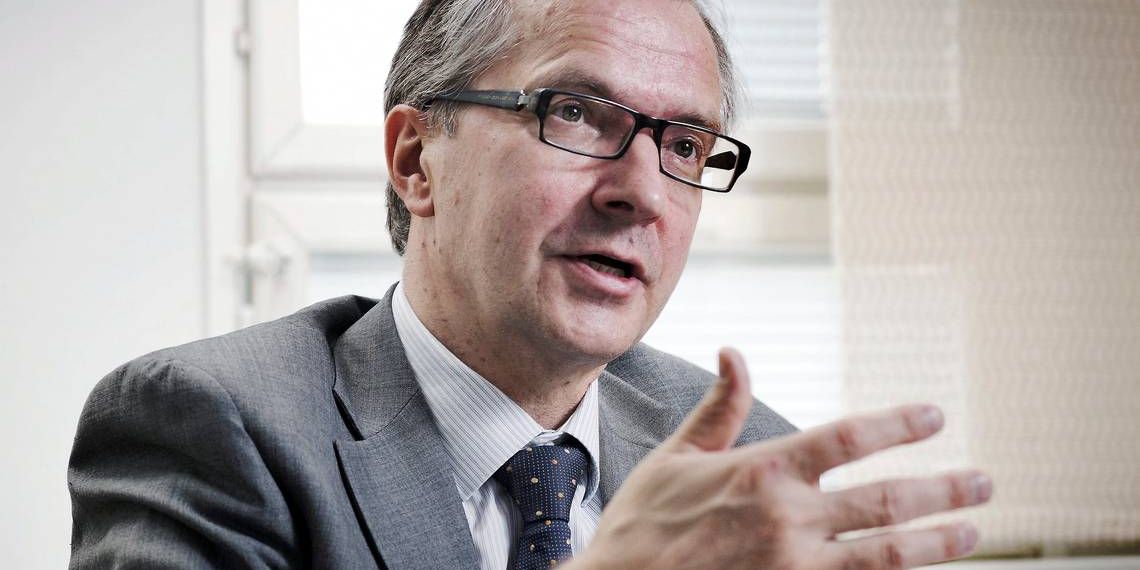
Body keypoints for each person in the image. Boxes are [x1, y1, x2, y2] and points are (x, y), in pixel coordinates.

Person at [68, 0, 993, 568]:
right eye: (577, 113)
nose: (642, 193)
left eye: (684, 146)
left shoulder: (743, 463)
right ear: (417, 160)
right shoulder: (211, 424)